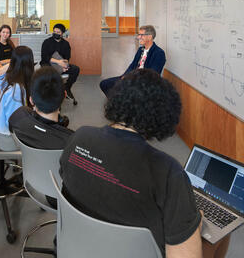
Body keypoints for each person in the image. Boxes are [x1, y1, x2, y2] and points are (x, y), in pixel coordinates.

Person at [60, 69, 203, 257]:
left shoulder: (80, 136)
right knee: (207, 231)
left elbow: (65, 176)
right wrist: (196, 222)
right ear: (163, 115)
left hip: (75, 247)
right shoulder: (168, 172)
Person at [9, 66, 74, 150]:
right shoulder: (72, 141)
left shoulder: (17, 117)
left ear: (31, 100)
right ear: (64, 95)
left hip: (29, 162)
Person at [99, 25, 166, 96]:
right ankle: (117, 104)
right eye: (138, 35)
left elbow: (153, 74)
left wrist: (133, 79)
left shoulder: (159, 53)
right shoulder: (141, 50)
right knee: (104, 84)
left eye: (141, 35)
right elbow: (133, 64)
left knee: (123, 90)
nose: (138, 37)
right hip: (132, 78)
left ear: (150, 37)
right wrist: (125, 76)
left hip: (143, 83)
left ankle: (121, 103)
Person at [0, 46, 34, 151]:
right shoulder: (17, 90)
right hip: (7, 139)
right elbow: (14, 123)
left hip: (5, 132)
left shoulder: (11, 78)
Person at [40, 23, 80, 102]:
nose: (56, 33)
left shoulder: (65, 44)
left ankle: (67, 88)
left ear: (62, 33)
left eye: (58, 32)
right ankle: (53, 95)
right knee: (51, 73)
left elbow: (67, 58)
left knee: (75, 69)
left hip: (61, 64)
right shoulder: (47, 42)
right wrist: (58, 62)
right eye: (54, 31)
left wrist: (65, 66)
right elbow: (44, 57)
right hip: (48, 64)